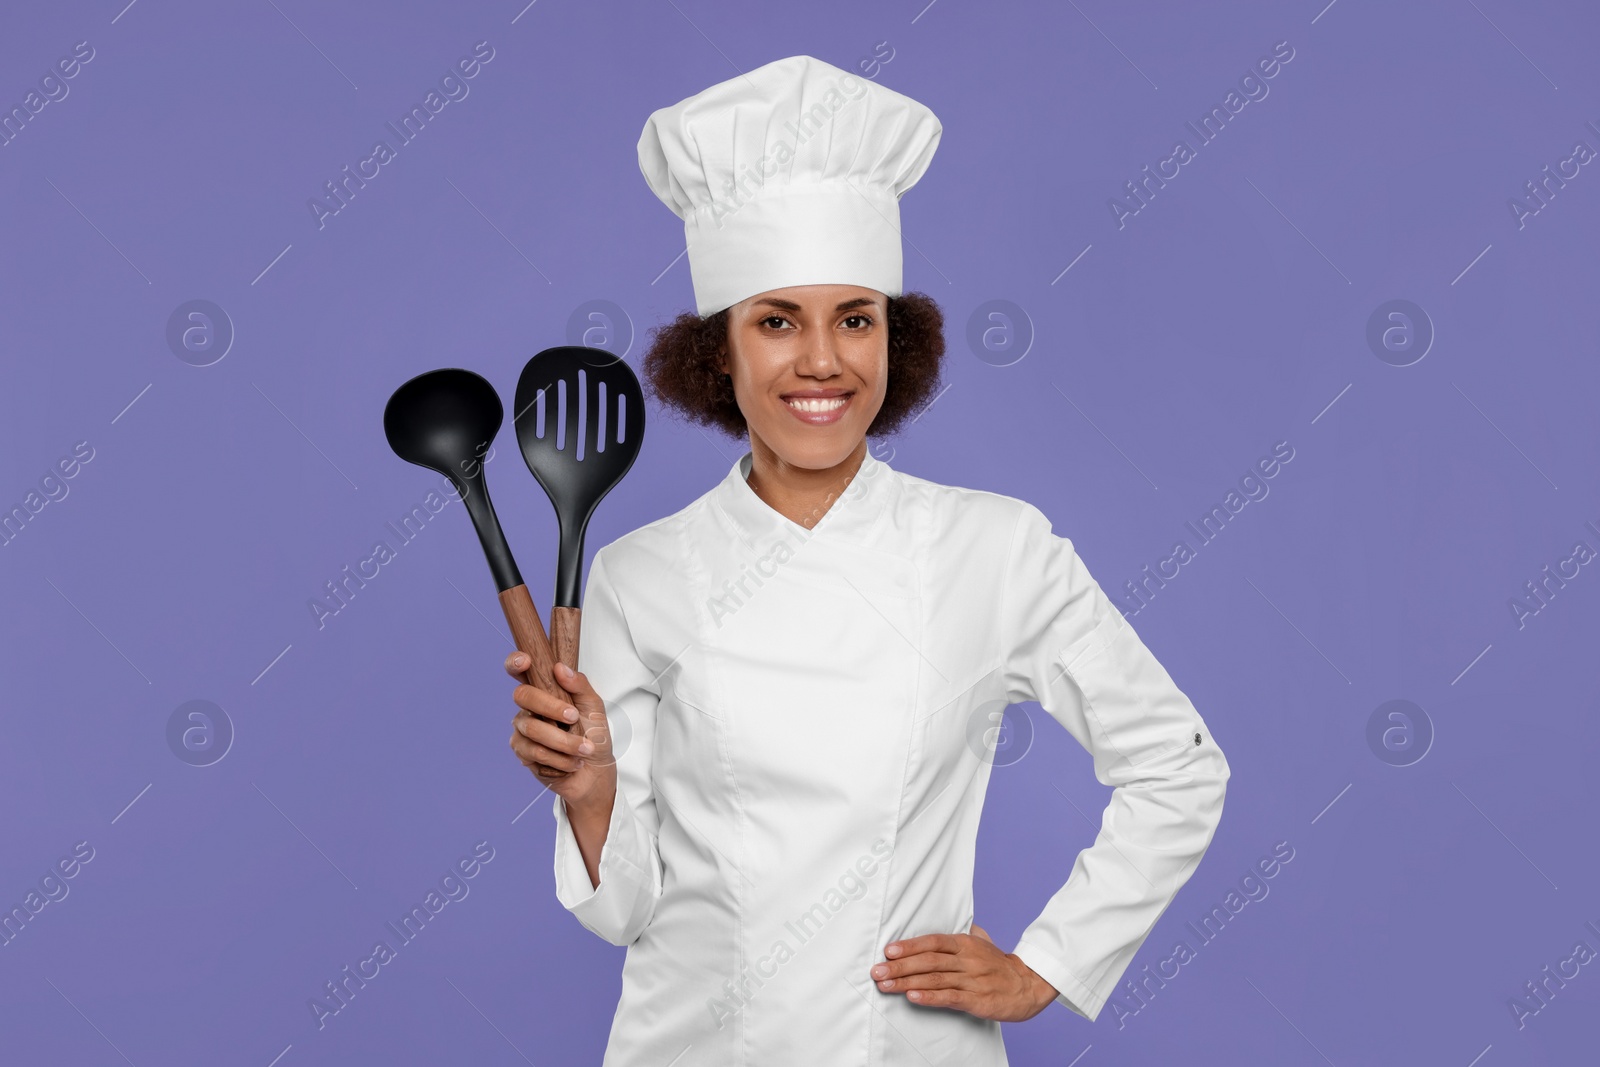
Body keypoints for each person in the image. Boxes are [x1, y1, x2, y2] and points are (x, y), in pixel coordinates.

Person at [505, 55, 1230, 1065]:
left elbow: (1177, 766)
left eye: (855, 318)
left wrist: (1051, 961)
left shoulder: (995, 546)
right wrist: (587, 789)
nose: (820, 361)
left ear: (899, 338)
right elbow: (623, 908)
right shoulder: (636, 575)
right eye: (775, 322)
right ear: (719, 351)